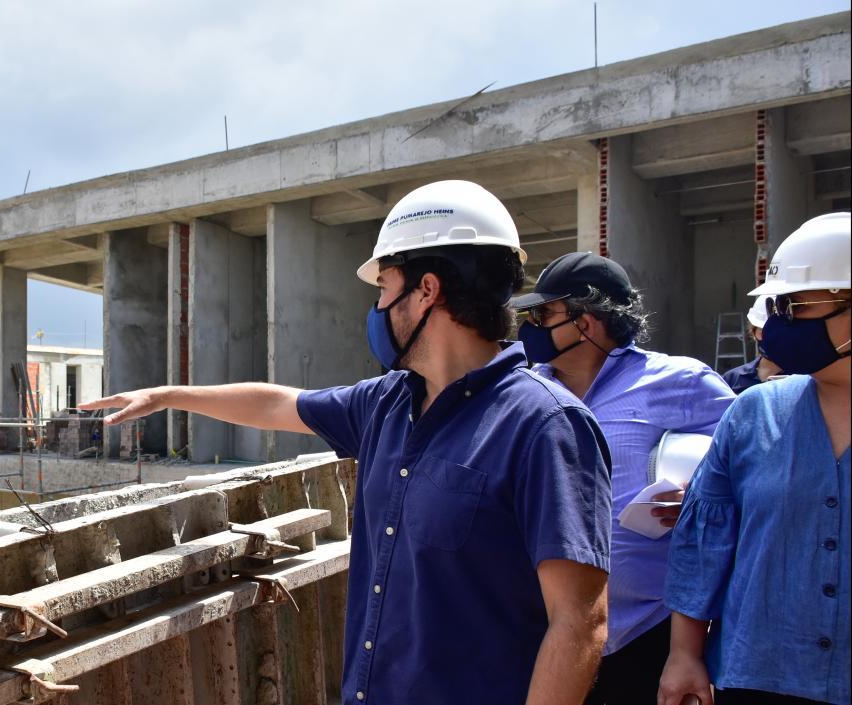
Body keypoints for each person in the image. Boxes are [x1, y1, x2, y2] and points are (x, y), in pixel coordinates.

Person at [82, 180, 613, 704]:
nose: (378, 308)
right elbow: (276, 403)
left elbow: (580, 622)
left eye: (384, 288)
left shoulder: (545, 426)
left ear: (427, 290)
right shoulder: (386, 403)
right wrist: (168, 394)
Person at [510, 252, 735, 705]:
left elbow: (748, 458)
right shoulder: (523, 391)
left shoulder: (681, 381)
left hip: (648, 638)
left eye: (543, 313)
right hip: (545, 631)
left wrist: (701, 493)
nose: (530, 325)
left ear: (587, 321)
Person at [660, 212, 851, 705]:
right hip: (761, 675)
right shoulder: (753, 413)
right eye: (778, 306)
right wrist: (684, 654)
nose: (779, 323)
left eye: (798, 305)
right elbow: (705, 545)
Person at [722, 296, 783, 393]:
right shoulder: (732, 380)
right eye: (762, 331)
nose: (773, 338)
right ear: (754, 333)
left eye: (779, 332)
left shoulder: (805, 380)